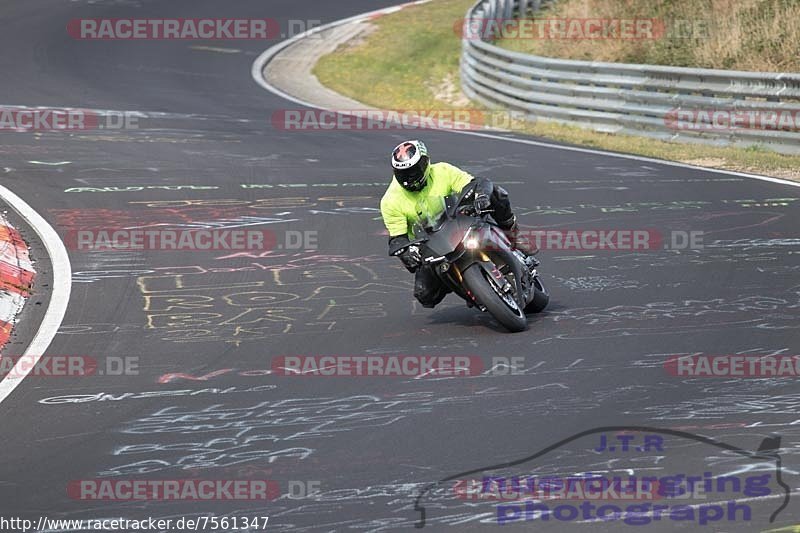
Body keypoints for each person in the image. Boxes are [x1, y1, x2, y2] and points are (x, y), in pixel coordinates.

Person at [380, 139, 534, 309]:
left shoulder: (442, 171)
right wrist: (406, 253)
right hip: (430, 244)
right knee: (425, 295)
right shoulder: (390, 201)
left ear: (425, 163)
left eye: (413, 170)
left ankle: (512, 235)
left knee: (495, 193)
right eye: (403, 173)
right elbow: (397, 238)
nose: (409, 178)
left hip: (459, 221)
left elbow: (473, 183)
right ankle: (467, 285)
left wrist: (480, 195)